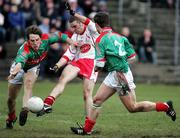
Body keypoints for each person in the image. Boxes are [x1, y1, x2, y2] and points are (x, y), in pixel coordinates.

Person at [70, 12, 176, 135]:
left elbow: (99, 65)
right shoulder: (121, 37)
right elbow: (132, 57)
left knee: (133, 107)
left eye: (95, 25)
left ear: (98, 25)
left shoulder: (100, 40)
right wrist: (119, 62)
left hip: (120, 75)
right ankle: (86, 130)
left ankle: (165, 106)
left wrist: (91, 71)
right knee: (97, 100)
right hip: (117, 73)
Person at [6, 25, 77, 129]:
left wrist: (72, 42)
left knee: (28, 85)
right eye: (32, 41)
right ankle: (11, 116)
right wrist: (14, 73)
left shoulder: (46, 39)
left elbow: (61, 35)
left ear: (41, 37)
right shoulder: (25, 50)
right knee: (11, 100)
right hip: (19, 69)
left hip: (33, 68)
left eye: (37, 40)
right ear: (27, 40)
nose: (35, 43)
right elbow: (19, 64)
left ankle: (25, 109)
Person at [36, 2, 100, 118]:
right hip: (78, 62)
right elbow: (68, 54)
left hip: (92, 63)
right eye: (72, 27)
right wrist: (57, 65)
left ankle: (88, 124)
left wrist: (73, 13)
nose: (74, 29)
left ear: (80, 23)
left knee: (86, 94)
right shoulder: (74, 36)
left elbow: (87, 21)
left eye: (75, 26)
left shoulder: (91, 29)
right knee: (63, 79)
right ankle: (47, 104)